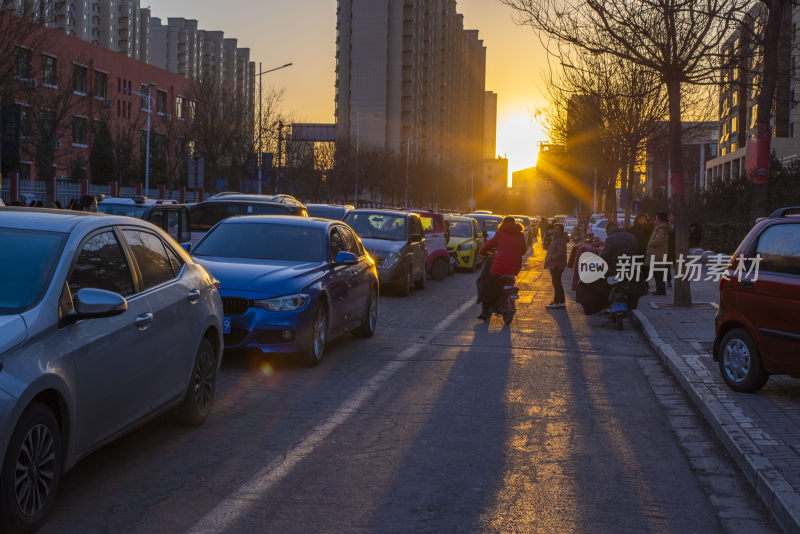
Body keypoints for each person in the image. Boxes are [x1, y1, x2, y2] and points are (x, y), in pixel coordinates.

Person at [477, 216, 527, 320]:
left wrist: (482, 252)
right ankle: (510, 302)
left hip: (499, 267)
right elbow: (523, 250)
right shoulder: (520, 235)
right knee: (510, 283)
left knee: (488, 287)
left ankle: (485, 312)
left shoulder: (500, 233)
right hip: (514, 268)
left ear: (503, 223)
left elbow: (487, 246)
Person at [544, 223, 568, 309]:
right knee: (557, 283)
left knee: (556, 284)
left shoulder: (560, 240)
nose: (555, 230)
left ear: (561, 231)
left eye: (558, 229)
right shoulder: (555, 239)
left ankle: (557, 302)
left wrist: (552, 258)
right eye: (555, 229)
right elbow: (547, 248)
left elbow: (561, 252)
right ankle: (561, 302)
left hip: (557, 265)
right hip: (555, 264)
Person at [646, 212, 671, 295]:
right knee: (658, 272)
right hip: (658, 253)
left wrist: (650, 242)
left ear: (659, 218)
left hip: (657, 253)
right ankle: (660, 289)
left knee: (658, 273)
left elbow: (659, 240)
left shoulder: (661, 229)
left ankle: (660, 290)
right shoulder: (660, 227)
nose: (655, 219)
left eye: (656, 217)